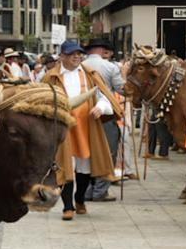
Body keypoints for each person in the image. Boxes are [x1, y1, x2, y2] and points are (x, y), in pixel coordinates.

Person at [46, 41, 117, 220]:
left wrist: (100, 107)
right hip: (63, 128)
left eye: (79, 53)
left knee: (84, 168)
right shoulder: (51, 77)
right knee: (65, 166)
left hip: (86, 127)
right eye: (72, 54)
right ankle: (67, 207)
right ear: (62, 56)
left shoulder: (89, 74)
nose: (77, 57)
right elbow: (42, 100)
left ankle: (79, 199)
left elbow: (104, 96)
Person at [83, 40, 126, 197]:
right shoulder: (110, 67)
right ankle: (101, 190)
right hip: (105, 114)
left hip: (84, 113)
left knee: (87, 151)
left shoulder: (80, 66)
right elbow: (122, 89)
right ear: (101, 50)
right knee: (108, 150)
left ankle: (86, 189)